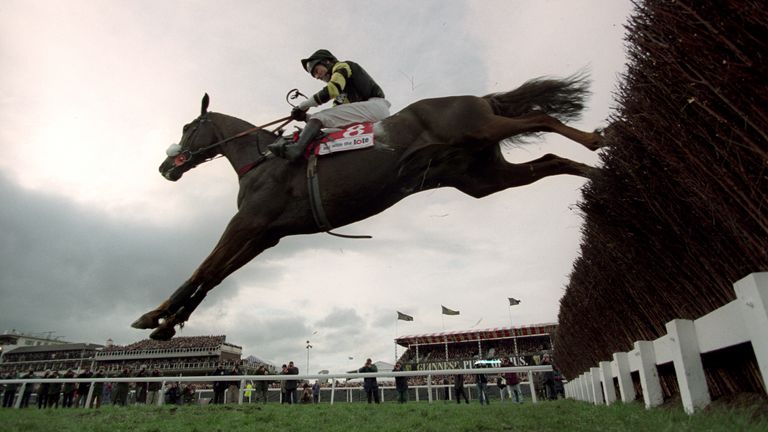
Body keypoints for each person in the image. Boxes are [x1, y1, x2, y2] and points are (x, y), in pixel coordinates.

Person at [268, 49, 390, 162]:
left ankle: (296, 149)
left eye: (317, 71)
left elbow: (332, 90)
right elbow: (334, 118)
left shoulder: (342, 66)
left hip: (375, 106)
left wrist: (302, 106)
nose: (317, 77)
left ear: (327, 62)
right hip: (366, 115)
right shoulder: (341, 96)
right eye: (314, 76)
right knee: (325, 133)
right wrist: (305, 117)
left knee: (320, 115)